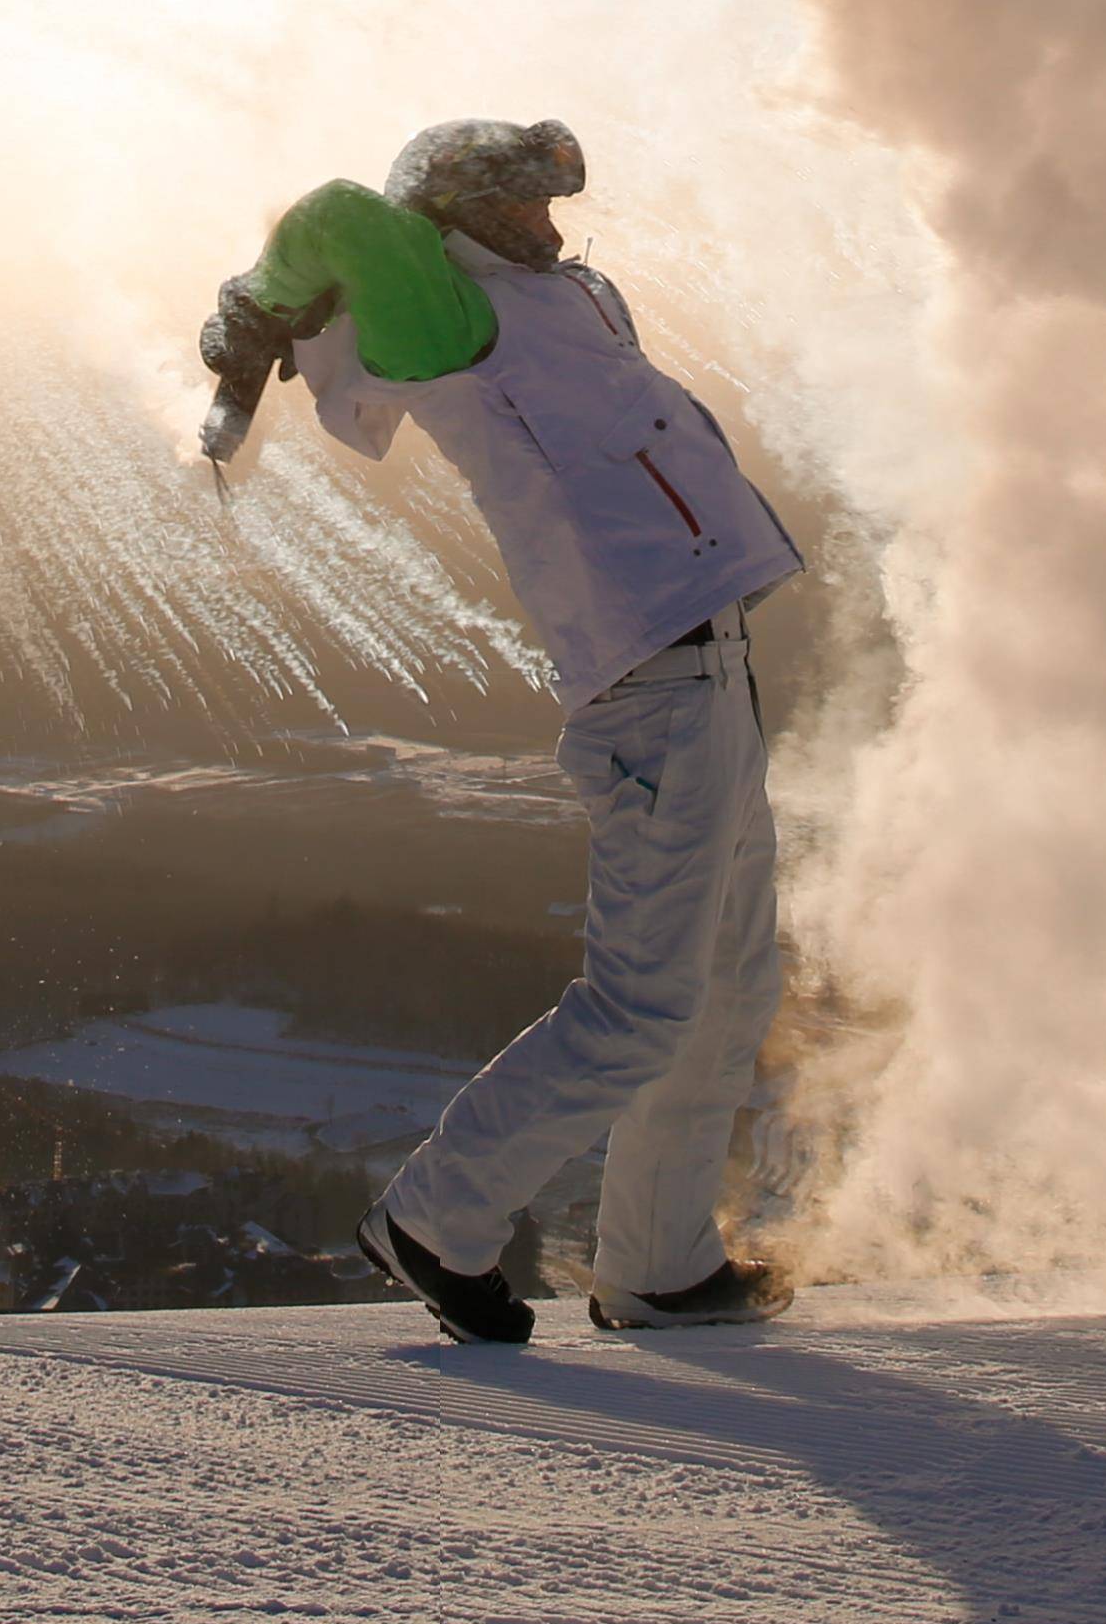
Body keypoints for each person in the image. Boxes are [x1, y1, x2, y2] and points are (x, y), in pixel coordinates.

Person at [199, 117, 808, 1340]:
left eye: (550, 200)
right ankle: (437, 1218)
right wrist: (252, 307)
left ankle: (657, 1262)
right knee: (642, 1003)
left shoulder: (546, 293)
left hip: (708, 663)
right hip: (654, 680)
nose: (552, 222)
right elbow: (338, 210)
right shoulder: (447, 318)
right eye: (524, 203)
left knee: (727, 988)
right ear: (460, 215)